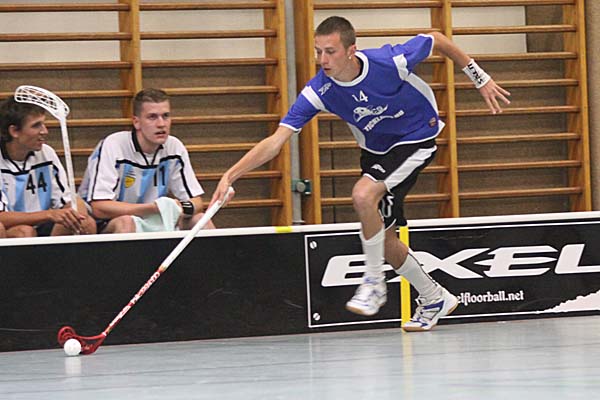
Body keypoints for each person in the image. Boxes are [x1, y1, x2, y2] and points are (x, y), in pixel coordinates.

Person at [211, 16, 511, 332]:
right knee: (384, 237)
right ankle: (434, 296)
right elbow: (276, 140)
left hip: (416, 137)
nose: (322, 60)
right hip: (377, 153)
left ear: (351, 50)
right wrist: (230, 175)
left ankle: (374, 282)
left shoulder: (389, 61)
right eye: (318, 52)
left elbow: (437, 38)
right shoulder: (320, 90)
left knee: (363, 195)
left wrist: (479, 78)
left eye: (330, 52)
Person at [79, 88, 215, 233]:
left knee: (201, 220)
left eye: (166, 116)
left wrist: (177, 207)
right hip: (108, 223)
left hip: (154, 218)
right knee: (126, 222)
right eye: (152, 117)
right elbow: (99, 208)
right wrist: (153, 209)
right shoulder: (113, 145)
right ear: (136, 122)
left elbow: (197, 202)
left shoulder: (175, 147)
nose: (161, 124)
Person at [0, 96, 96, 237]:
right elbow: (2, 217)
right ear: (14, 131)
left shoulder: (47, 153)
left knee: (86, 223)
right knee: (24, 232)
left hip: (43, 225)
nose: (45, 131)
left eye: (43, 124)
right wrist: (49, 214)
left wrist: (78, 214)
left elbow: (69, 199)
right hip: (12, 228)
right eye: (36, 125)